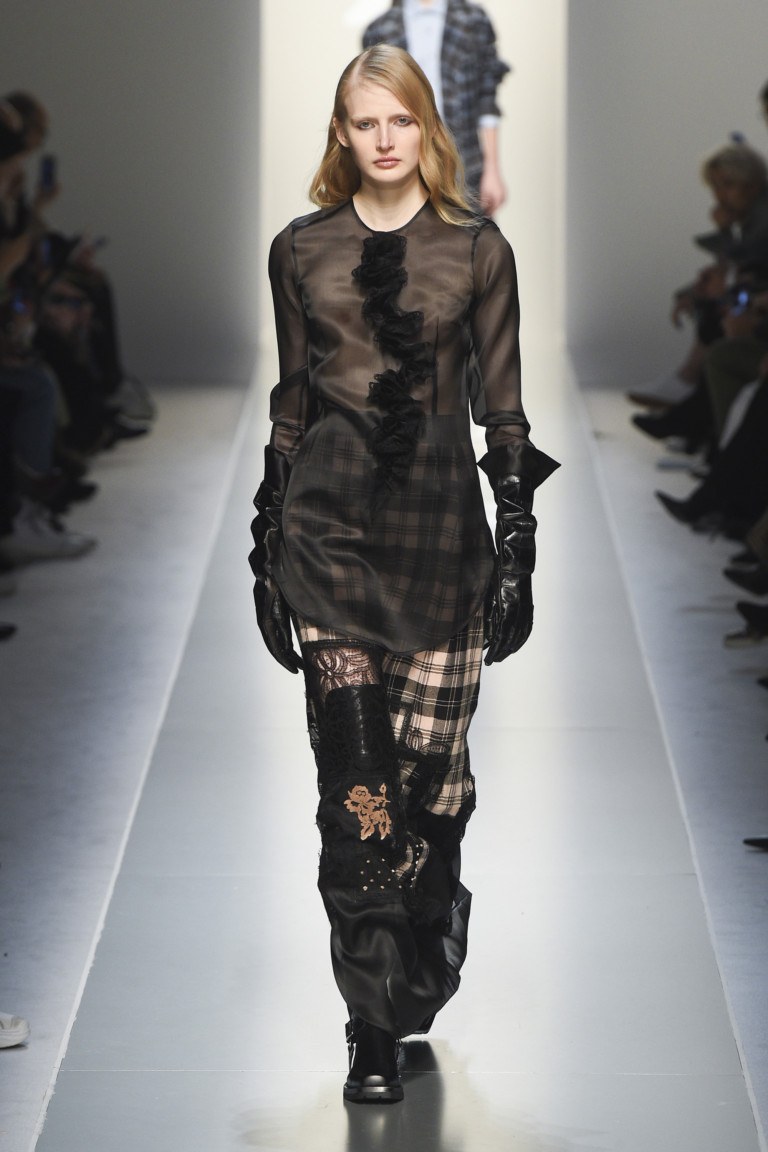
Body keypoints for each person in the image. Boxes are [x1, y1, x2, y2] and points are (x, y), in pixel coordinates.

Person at [249, 45, 558, 1105]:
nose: (383, 140)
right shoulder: (301, 249)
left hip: (442, 548)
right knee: (359, 799)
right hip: (327, 542)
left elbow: (504, 408)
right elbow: (292, 402)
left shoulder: (477, 251)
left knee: (428, 795)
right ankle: (371, 1025)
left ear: (426, 127)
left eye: (400, 120)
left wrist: (517, 545)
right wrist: (266, 543)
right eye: (363, 122)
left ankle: (423, 932)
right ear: (340, 133)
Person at [362, 0, 510, 214]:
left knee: (470, 231)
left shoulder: (473, 21)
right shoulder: (380, 29)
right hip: (404, 160)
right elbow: (373, 105)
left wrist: (492, 169)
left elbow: (487, 98)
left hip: (466, 160)